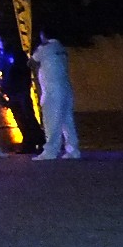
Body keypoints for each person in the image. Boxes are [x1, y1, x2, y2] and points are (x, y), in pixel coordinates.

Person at [0, 34, 44, 153]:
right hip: (11, 90)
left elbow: (25, 69)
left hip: (21, 89)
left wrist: (25, 85)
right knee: (19, 117)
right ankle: (28, 142)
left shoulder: (16, 52)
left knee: (28, 115)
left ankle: (40, 141)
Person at [32, 32, 83, 160]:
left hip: (52, 90)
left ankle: (50, 151)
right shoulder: (61, 48)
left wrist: (37, 48)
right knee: (67, 120)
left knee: (51, 120)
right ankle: (73, 150)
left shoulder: (45, 49)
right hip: (65, 87)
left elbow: (31, 62)